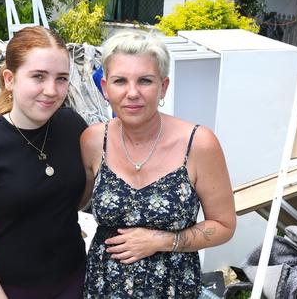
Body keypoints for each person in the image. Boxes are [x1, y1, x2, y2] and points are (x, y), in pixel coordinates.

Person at [80, 31, 237, 298]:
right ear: (106, 88)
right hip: (104, 287)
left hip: (172, 288)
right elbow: (67, 202)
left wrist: (162, 241)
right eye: (120, 81)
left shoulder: (199, 143)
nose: (132, 93)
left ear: (163, 87)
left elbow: (224, 225)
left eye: (145, 81)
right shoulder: (94, 140)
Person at [0, 26, 88, 299]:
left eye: (61, 79)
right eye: (38, 76)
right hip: (14, 288)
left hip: (76, 278)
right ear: (10, 79)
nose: (51, 90)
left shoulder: (73, 126)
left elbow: (72, 198)